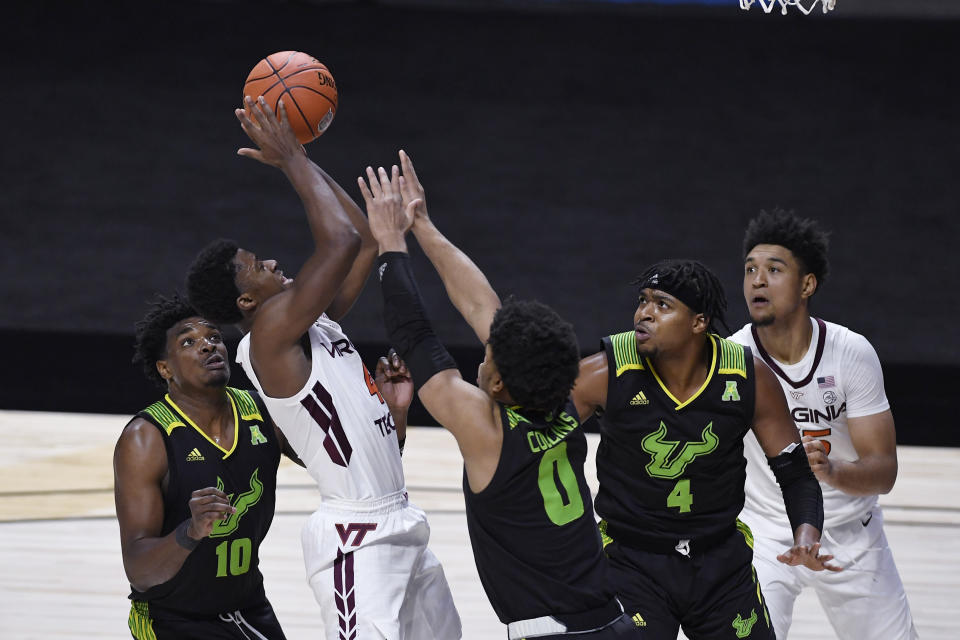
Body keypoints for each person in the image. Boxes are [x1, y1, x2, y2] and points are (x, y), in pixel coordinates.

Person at [185, 97, 460, 640]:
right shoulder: (268, 337)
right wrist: (290, 161)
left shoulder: (312, 324)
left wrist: (302, 155)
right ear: (245, 304)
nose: (268, 263)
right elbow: (336, 243)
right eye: (254, 268)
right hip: (356, 538)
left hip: (401, 520)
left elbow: (357, 238)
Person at [360, 150, 636, 639]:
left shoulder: (489, 432)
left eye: (489, 357)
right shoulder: (562, 402)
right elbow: (483, 305)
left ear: (499, 383)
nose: (482, 355)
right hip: (613, 621)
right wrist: (421, 222)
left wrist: (391, 245)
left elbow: (415, 335)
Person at [571, 258, 840, 639]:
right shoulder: (605, 372)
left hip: (719, 562)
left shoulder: (748, 376)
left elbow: (795, 472)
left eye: (662, 305)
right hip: (631, 559)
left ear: (698, 322)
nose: (644, 313)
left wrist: (807, 534)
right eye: (643, 300)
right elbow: (538, 444)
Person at [730, 209, 918, 639]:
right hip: (766, 533)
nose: (757, 280)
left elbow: (883, 471)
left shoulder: (851, 352)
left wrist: (832, 472)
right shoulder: (730, 357)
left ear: (807, 284)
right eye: (750, 270)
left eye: (774, 270)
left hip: (851, 534)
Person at [115, 293, 295, 639]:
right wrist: (190, 531)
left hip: (248, 608)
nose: (208, 346)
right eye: (189, 342)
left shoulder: (263, 412)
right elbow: (138, 571)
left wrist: (394, 414)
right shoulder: (147, 438)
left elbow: (339, 461)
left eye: (214, 337)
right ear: (165, 368)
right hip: (173, 619)